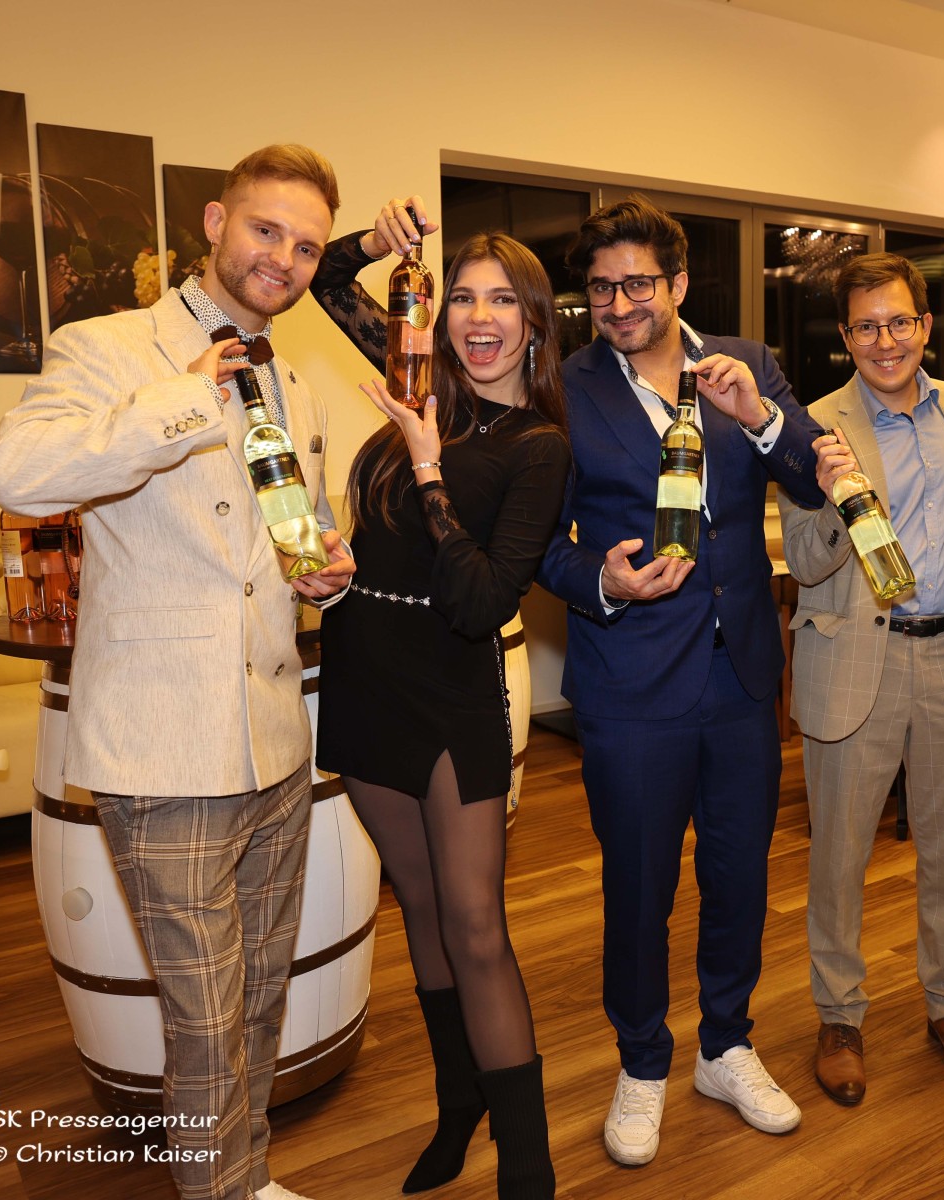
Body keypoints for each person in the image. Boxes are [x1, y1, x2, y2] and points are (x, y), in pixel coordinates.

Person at [0, 144, 355, 1200]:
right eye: (267, 229)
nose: (284, 258)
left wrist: (324, 574)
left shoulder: (297, 380)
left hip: (275, 737)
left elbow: (292, 537)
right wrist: (182, 402)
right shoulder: (109, 347)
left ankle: (248, 1175)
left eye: (307, 246)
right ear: (215, 222)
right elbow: (18, 470)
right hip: (162, 743)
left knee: (260, 991)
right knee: (203, 1011)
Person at [535, 195, 824, 1167]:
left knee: (739, 876)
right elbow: (540, 544)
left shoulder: (744, 363)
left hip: (742, 674)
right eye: (601, 288)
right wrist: (602, 581)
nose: (619, 304)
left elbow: (812, 475)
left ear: (680, 283)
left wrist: (761, 416)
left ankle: (725, 1045)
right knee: (639, 887)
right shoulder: (565, 387)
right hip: (630, 683)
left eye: (638, 284)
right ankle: (643, 1060)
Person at [308, 201, 569, 1199]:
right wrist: (375, 246)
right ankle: (459, 1106)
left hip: (452, 687)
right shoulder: (416, 382)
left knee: (475, 925)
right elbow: (325, 279)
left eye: (503, 300)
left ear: (535, 324)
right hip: (364, 668)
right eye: (461, 297)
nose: (479, 317)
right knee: (415, 902)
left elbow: (480, 601)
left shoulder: (537, 446)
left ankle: (529, 1169)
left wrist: (426, 465)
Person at [777, 252, 944, 1106]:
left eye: (900, 321)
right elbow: (803, 560)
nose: (886, 340)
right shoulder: (812, 427)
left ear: (926, 326)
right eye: (866, 327)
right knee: (839, 855)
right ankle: (839, 1016)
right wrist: (835, 497)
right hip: (855, 658)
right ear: (846, 337)